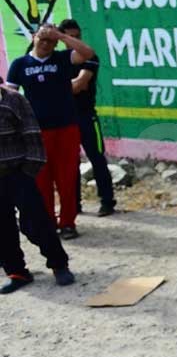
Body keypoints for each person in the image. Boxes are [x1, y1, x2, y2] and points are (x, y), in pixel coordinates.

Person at [5, 24, 96, 240]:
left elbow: (87, 53)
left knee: (67, 178)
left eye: (50, 41)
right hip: (35, 132)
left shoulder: (62, 59)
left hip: (66, 126)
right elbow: (11, 97)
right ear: (34, 37)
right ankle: (47, 221)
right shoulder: (20, 64)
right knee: (41, 179)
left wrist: (61, 35)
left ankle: (68, 222)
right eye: (42, 39)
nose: (46, 44)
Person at [0, 82, 74, 292]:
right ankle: (17, 272)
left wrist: (28, 173)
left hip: (18, 173)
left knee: (35, 222)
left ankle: (59, 264)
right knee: (2, 228)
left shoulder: (13, 100)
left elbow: (33, 137)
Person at [59, 20, 115, 217]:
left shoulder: (90, 57)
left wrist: (53, 87)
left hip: (86, 116)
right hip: (65, 119)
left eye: (77, 37)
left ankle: (107, 201)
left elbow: (79, 84)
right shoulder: (58, 59)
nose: (74, 40)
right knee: (69, 163)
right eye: (69, 37)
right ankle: (74, 205)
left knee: (97, 159)